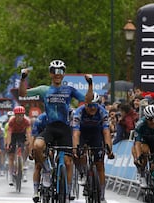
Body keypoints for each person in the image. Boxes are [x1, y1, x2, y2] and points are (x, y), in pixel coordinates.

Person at [19, 59, 93, 203]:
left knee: (67, 161)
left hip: (65, 129)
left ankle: (68, 190)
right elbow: (22, 93)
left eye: (60, 71)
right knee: (38, 147)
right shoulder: (44, 90)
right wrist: (23, 78)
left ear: (64, 74)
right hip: (50, 127)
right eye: (54, 71)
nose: (57, 74)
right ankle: (47, 171)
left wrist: (90, 84)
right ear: (50, 73)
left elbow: (87, 100)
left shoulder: (69, 89)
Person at [72, 92, 114, 203]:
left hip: (96, 133)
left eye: (95, 105)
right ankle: (82, 173)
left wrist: (109, 149)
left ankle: (102, 196)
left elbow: (106, 132)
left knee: (100, 164)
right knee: (77, 155)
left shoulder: (102, 112)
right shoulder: (78, 112)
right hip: (82, 133)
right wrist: (76, 149)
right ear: (85, 105)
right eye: (90, 105)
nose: (92, 108)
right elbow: (76, 133)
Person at [6, 105, 32, 185]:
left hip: (22, 134)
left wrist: (29, 142)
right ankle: (11, 174)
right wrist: (8, 144)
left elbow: (28, 133)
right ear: (15, 115)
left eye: (21, 115)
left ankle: (23, 164)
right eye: (18, 115)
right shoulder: (11, 121)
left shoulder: (27, 121)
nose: (20, 117)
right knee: (11, 155)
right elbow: (9, 133)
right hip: (13, 134)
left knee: (26, 147)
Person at [30, 112, 47, 202]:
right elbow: (33, 137)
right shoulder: (40, 119)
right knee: (38, 165)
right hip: (40, 139)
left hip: (52, 140)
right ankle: (35, 191)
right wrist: (32, 151)